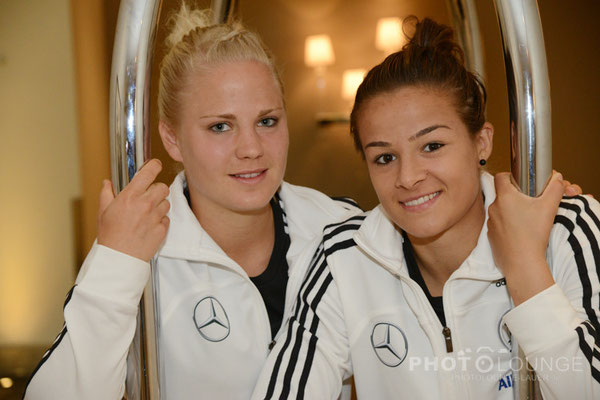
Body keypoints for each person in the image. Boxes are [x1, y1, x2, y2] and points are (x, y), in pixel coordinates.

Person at [22, 4, 360, 399]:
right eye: (220, 126)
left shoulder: (339, 231)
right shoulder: (140, 250)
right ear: (172, 139)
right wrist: (116, 263)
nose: (251, 148)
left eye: (267, 121)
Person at [252, 16, 600, 399]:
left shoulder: (565, 229)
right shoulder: (345, 259)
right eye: (385, 158)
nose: (408, 177)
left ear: (481, 143)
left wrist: (527, 269)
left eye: (432, 146)